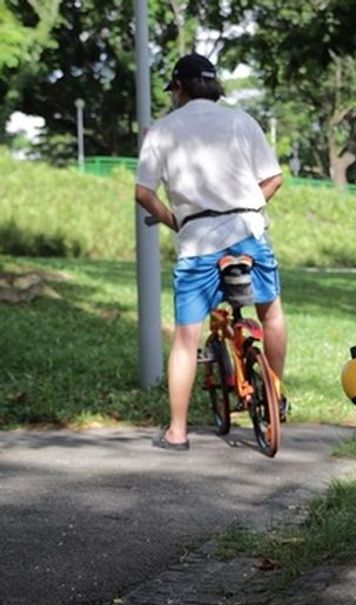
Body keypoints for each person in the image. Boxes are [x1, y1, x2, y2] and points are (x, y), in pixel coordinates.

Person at [135, 53, 286, 451]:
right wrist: (250, 206)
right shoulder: (241, 120)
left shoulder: (164, 130)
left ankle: (178, 432)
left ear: (179, 87)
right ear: (214, 86)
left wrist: (176, 220)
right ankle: (276, 395)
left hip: (198, 241)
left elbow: (143, 193)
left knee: (187, 338)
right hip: (249, 233)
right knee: (270, 312)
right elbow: (274, 178)